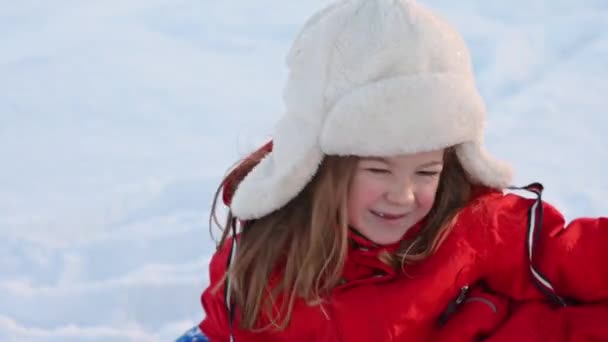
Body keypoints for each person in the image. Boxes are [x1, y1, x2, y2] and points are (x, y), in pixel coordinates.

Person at [177, 0, 608, 341]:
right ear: (321, 165)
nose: (403, 195)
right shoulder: (271, 257)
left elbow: (570, 255)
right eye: (379, 170)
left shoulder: (467, 223)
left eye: (426, 172)